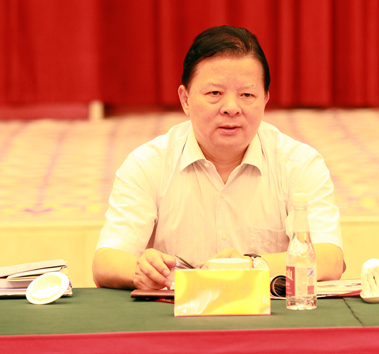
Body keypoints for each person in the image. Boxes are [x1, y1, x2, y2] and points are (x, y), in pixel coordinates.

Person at [92, 25, 345, 290]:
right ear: (185, 99)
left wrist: (251, 265)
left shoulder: (299, 165)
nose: (231, 108)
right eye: (215, 93)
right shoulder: (148, 165)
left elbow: (329, 259)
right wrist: (141, 271)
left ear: (265, 100)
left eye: (247, 95)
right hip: (175, 312)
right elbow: (106, 261)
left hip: (267, 313)